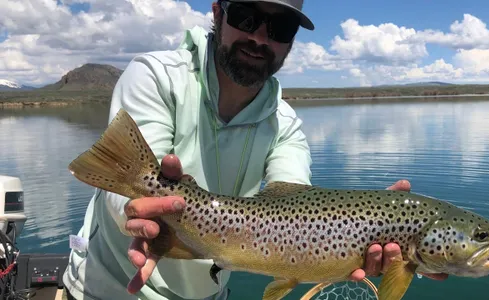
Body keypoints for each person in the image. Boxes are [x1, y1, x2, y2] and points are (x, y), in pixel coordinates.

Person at [62, 0, 447, 299]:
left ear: (291, 41)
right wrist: (136, 215)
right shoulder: (155, 77)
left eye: (280, 27)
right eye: (246, 17)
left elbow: (296, 204)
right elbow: (123, 194)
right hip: (106, 288)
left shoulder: (286, 123)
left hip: (209, 291)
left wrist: (368, 222)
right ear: (217, 13)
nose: (260, 38)